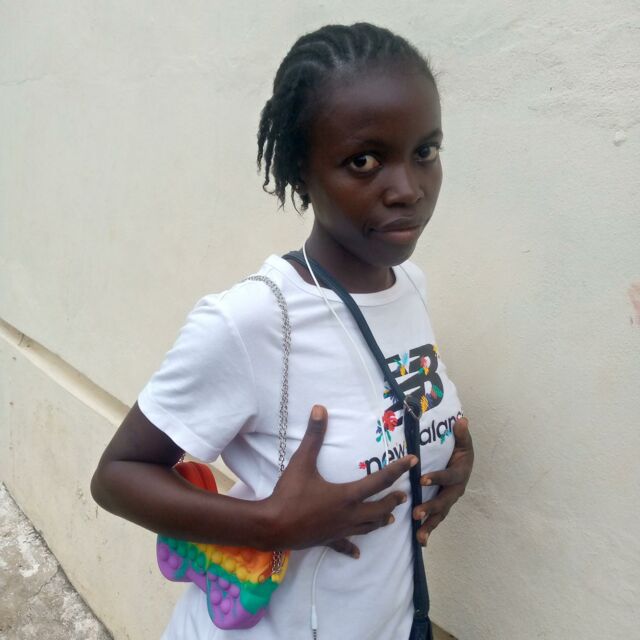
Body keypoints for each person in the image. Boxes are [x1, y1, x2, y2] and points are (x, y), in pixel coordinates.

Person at [91, 22, 474, 640]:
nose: (408, 189)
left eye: (425, 151)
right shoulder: (251, 320)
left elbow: (385, 419)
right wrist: (272, 523)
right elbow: (117, 476)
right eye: (364, 161)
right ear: (300, 170)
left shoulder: (409, 287)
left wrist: (441, 458)